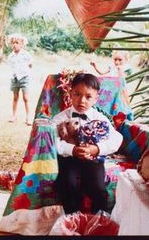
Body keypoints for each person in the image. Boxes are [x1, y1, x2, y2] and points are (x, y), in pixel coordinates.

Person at [52, 73, 123, 214]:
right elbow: (53, 141)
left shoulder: (100, 118)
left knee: (97, 188)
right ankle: (72, 218)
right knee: (68, 183)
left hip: (93, 159)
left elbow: (117, 138)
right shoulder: (60, 118)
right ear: (70, 94)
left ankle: (98, 220)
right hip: (69, 159)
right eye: (77, 94)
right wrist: (72, 149)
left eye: (88, 96)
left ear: (96, 99)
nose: (82, 101)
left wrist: (97, 149)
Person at [7, 34, 33, 125]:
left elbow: (31, 64)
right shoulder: (11, 56)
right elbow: (10, 66)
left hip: (24, 78)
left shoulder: (26, 54)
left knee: (26, 98)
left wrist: (26, 71)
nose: (14, 45)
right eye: (13, 43)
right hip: (15, 78)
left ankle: (28, 116)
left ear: (22, 44)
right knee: (15, 97)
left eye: (17, 43)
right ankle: (13, 115)